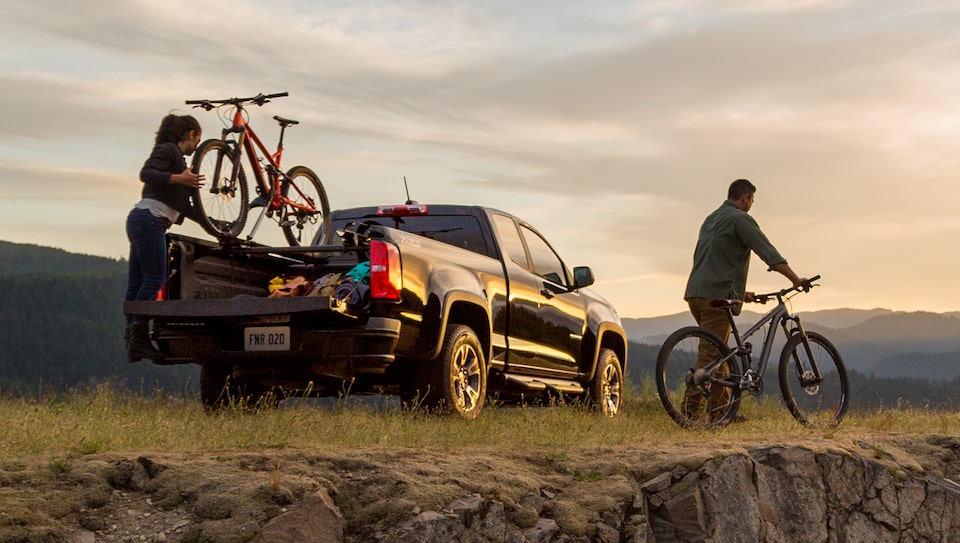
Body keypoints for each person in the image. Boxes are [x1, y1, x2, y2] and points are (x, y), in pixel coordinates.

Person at [683, 178, 806, 421]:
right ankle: (689, 414)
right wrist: (795, 278)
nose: (751, 206)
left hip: (697, 293)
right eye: (752, 201)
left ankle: (722, 413)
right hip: (715, 297)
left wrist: (741, 293)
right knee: (708, 359)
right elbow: (767, 251)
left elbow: (715, 258)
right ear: (745, 198)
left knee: (719, 354)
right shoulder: (741, 219)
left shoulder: (711, 218)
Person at [124, 114, 204, 362]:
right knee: (155, 277)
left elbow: (186, 209)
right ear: (190, 134)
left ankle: (133, 337)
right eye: (197, 140)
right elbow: (146, 173)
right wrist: (181, 178)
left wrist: (217, 228)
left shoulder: (179, 162)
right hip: (150, 219)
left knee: (138, 282)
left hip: (144, 219)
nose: (196, 148)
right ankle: (138, 337)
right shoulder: (168, 150)